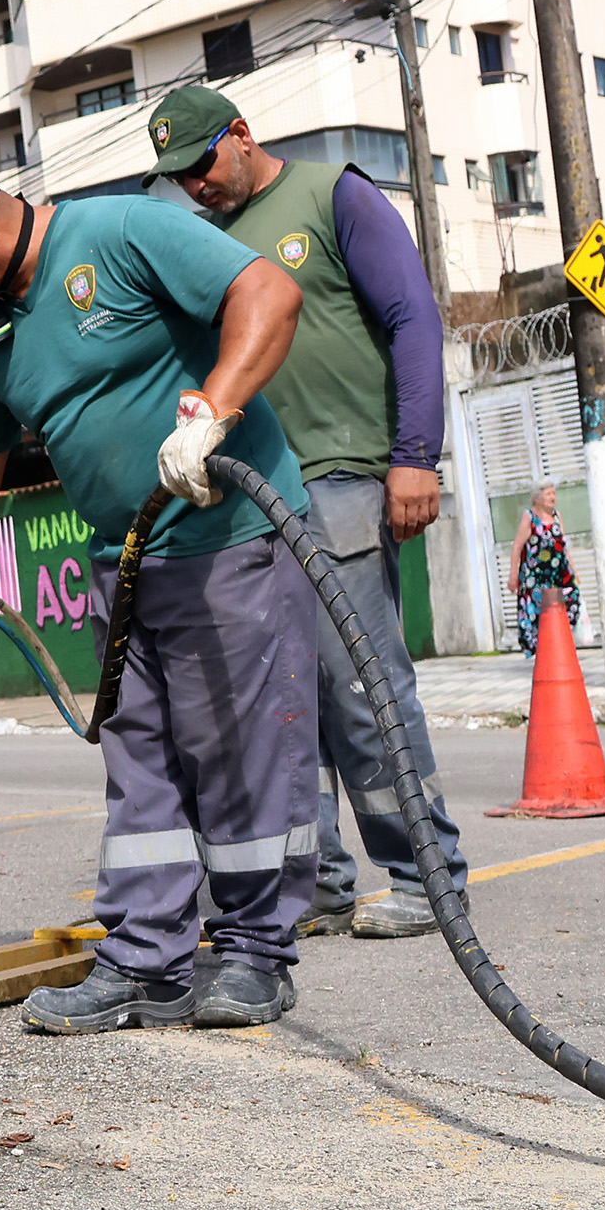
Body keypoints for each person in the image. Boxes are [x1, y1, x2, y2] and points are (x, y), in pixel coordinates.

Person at [0, 153, 319, 1032]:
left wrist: (211, 413)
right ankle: (147, 957)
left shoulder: (118, 232)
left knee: (240, 754)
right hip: (126, 561)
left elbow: (267, 293)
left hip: (232, 543)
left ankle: (257, 952)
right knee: (139, 760)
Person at [148, 86, 468, 941]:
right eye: (176, 178)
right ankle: (317, 882)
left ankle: (424, 875)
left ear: (242, 135)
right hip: (252, 500)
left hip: (340, 478)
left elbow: (412, 319)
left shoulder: (335, 197)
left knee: (360, 689)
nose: (193, 187)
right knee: (283, 704)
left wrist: (413, 457)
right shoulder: (202, 243)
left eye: (201, 165)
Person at [512, 483, 581, 653]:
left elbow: (562, 545)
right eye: (548, 493)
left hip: (559, 573)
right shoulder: (529, 517)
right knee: (537, 612)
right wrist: (513, 576)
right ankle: (543, 649)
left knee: (572, 599)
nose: (553, 497)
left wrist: (574, 571)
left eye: (554, 493)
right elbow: (517, 547)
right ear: (537, 498)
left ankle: (560, 639)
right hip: (535, 576)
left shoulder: (557, 516)